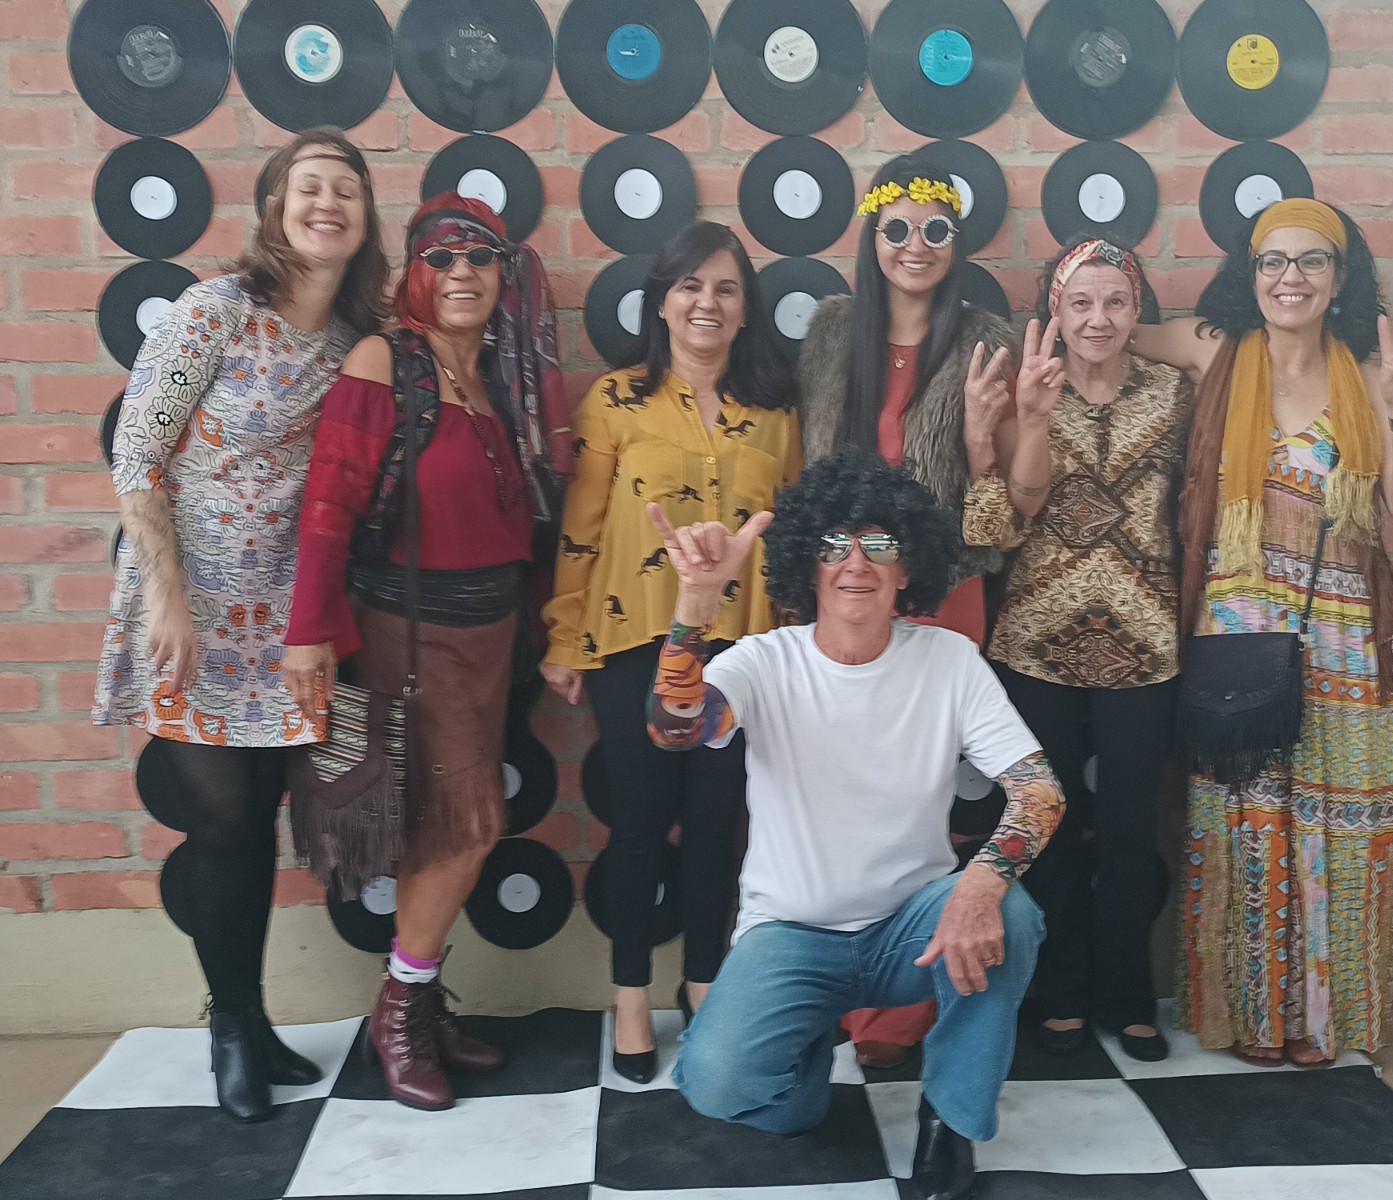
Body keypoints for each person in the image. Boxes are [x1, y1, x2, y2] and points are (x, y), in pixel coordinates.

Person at [647, 452, 1062, 1200]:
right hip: (792, 933)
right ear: (808, 565)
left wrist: (980, 884)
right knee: (716, 1083)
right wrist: (695, 607)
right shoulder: (762, 660)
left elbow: (1039, 792)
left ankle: (949, 1121)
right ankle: (806, 1061)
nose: (855, 563)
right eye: (834, 544)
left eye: (879, 544)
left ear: (907, 569)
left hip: (913, 928)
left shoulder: (949, 661)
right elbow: (675, 729)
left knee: (1013, 915)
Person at [92, 128, 388, 1121]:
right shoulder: (214, 310)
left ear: (365, 218)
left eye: (346, 189)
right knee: (219, 818)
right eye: (309, 187)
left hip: (287, 618)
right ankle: (227, 1030)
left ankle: (255, 1022)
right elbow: (138, 453)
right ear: (274, 207)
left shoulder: (352, 345)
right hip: (195, 610)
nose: (327, 203)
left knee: (257, 815)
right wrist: (166, 597)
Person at [1128, 198, 1393, 1065]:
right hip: (1236, 636)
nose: (1290, 277)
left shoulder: (1373, 376)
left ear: (1340, 278)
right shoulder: (1214, 350)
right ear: (1251, 273)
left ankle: (1322, 1018)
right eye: (1273, 260)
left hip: (1347, 639)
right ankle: (1253, 1017)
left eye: (1311, 261)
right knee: (1246, 824)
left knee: (1339, 829)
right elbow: (1105, 329)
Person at [283, 191, 567, 1110]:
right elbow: (328, 503)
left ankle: (418, 999)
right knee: (467, 824)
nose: (461, 274)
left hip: (490, 641)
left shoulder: (503, 377)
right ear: (413, 273)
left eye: (480, 258)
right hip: (410, 637)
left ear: (504, 273)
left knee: (450, 827)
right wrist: (308, 635)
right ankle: (400, 1012)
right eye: (441, 258)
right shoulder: (384, 361)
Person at [540, 221, 799, 1084]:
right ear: (662, 301)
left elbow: (790, 540)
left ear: (745, 309)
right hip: (632, 643)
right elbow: (580, 529)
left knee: (718, 824)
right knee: (642, 822)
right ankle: (628, 996)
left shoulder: (776, 413)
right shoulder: (615, 401)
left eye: (726, 288)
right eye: (691, 286)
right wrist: (564, 638)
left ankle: (703, 983)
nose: (706, 303)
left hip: (740, 653)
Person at [797, 154, 1017, 1066]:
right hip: (845, 594)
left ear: (957, 242)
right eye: (898, 227)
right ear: (872, 235)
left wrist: (979, 442)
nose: (915, 245)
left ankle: (905, 1006)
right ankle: (836, 990)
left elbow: (1001, 511)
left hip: (939, 594)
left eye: (936, 229)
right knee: (842, 796)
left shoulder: (987, 339)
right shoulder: (829, 332)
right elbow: (806, 478)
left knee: (925, 805)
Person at [964, 237, 1192, 1062]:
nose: (1099, 319)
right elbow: (992, 527)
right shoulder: (1029, 389)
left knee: (1132, 828)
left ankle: (1126, 994)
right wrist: (994, 432)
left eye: (1116, 301)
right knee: (1046, 823)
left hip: (1145, 648)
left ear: (1137, 309)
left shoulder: (1175, 393)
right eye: (1080, 303)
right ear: (1053, 312)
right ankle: (1058, 991)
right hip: (1037, 646)